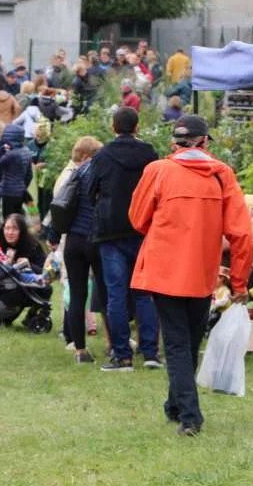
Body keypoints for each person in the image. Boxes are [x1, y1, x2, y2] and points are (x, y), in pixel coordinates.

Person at [129, 114, 253, 436]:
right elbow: (242, 234)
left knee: (178, 344)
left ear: (174, 142)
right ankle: (187, 412)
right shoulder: (221, 175)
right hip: (202, 272)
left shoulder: (157, 172)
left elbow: (137, 219)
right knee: (189, 340)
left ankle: (184, 412)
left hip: (164, 269)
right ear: (205, 142)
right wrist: (239, 282)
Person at [87, 107, 160, 372]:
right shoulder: (149, 154)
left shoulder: (103, 155)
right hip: (142, 229)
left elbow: (89, 189)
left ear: (113, 127)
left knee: (116, 293)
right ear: (137, 126)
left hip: (110, 229)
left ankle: (122, 355)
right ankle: (150, 352)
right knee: (144, 293)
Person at [60, 136, 105, 364]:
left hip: (73, 240)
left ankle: (80, 350)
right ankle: (114, 344)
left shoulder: (73, 174)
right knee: (105, 291)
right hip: (94, 238)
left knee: (78, 295)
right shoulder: (98, 174)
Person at [0, 125, 33, 218]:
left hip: (9, 192)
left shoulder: (11, 154)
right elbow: (29, 175)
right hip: (21, 191)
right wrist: (23, 186)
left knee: (8, 218)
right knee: (18, 218)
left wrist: (0, 151)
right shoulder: (27, 151)